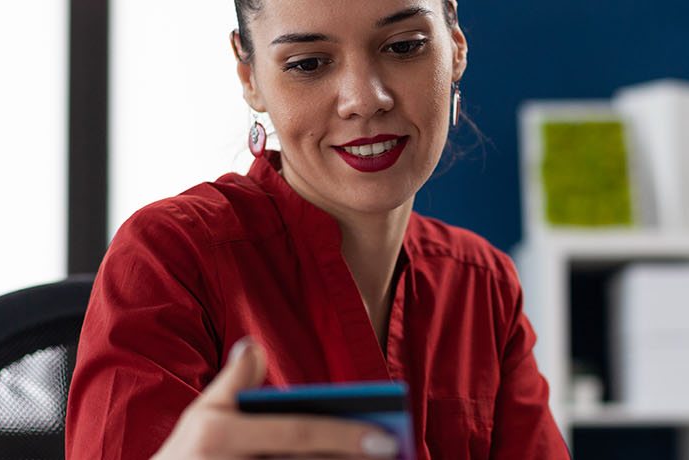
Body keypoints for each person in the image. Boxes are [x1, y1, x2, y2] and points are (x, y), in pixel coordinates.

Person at [64, 0, 568, 458]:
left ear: (455, 47)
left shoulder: (483, 282)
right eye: (308, 63)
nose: (364, 100)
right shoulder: (170, 256)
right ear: (250, 76)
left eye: (404, 46)